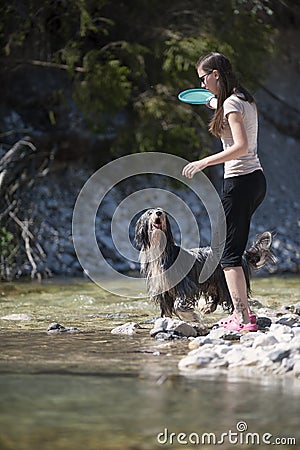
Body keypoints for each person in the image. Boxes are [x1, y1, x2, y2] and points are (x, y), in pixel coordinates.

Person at [182, 52, 267, 332]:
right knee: (232, 245)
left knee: (228, 255)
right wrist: (210, 100)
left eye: (204, 78)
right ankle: (245, 314)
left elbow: (240, 146)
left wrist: (204, 161)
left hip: (239, 182)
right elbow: (218, 102)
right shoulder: (244, 99)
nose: (203, 84)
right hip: (255, 181)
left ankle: (242, 319)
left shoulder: (231, 103)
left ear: (215, 74)